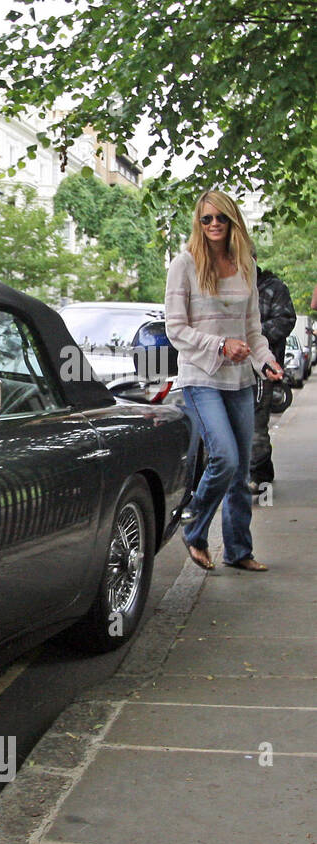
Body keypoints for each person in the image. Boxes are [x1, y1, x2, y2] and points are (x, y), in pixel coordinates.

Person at [164, 189, 284, 572]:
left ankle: (238, 551)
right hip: (201, 376)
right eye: (206, 219)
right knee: (225, 458)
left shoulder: (245, 263)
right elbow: (175, 328)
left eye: (221, 218)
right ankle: (193, 528)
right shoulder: (184, 265)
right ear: (198, 224)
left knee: (242, 469)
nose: (214, 224)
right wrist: (219, 345)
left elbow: (252, 331)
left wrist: (266, 361)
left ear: (233, 222)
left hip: (240, 380)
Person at [250, 261, 295, 493]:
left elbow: (285, 320)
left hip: (264, 368)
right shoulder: (228, 287)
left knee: (257, 425)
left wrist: (252, 335)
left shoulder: (274, 288)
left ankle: (258, 476)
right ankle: (259, 471)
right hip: (230, 369)